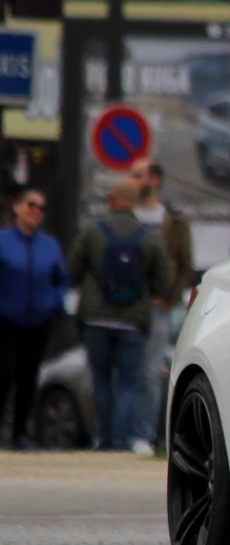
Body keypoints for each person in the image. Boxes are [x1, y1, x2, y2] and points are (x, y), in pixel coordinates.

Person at [67, 178, 169, 453]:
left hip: (96, 320)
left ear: (112, 200)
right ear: (135, 202)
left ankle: (103, 437)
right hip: (132, 322)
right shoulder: (148, 237)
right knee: (128, 382)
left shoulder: (92, 232)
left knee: (101, 380)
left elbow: (72, 270)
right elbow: (163, 281)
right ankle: (123, 441)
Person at [128, 158, 194, 445]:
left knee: (150, 374)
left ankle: (142, 436)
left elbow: (185, 263)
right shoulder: (124, 217)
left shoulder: (174, 222)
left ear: (155, 180)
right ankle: (116, 436)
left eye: (139, 175)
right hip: (125, 306)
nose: (134, 181)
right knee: (125, 372)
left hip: (157, 307)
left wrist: (169, 295)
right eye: (132, 176)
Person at [0, 188, 68, 448]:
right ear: (17, 207)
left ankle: (20, 433)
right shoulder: (4, 241)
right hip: (6, 320)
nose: (36, 211)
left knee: (29, 377)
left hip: (38, 322)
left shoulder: (49, 246)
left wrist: (54, 302)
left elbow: (60, 279)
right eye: (31, 204)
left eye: (41, 207)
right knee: (5, 373)